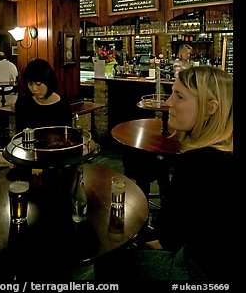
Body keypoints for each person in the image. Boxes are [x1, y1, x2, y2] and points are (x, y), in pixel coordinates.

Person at [95, 66, 233, 285]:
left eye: (179, 96)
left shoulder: (197, 162)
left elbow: (168, 236)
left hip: (204, 273)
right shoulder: (224, 152)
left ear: (211, 108)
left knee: (107, 261)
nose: (168, 103)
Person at [15, 58, 73, 132]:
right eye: (30, 84)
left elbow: (67, 137)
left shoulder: (63, 106)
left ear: (48, 81)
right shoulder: (23, 103)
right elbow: (19, 135)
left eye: (38, 84)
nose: (34, 89)